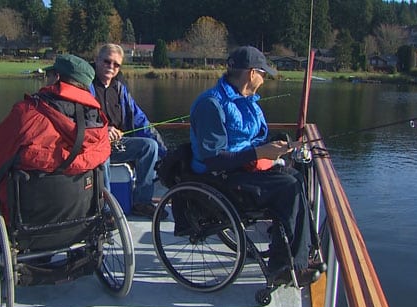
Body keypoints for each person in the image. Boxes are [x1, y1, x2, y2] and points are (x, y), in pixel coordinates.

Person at [189, 46, 321, 286]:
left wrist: (275, 146)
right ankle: (285, 267)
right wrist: (260, 152)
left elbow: (252, 140)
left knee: (297, 176)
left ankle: (301, 254)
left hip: (245, 167)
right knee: (288, 187)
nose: (264, 79)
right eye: (263, 73)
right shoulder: (211, 105)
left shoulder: (248, 102)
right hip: (220, 178)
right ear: (251, 73)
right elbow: (214, 158)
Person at [0, 54, 110, 221]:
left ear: (57, 77)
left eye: (49, 75)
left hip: (28, 221)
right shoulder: (98, 122)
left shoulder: (27, 113)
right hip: (83, 220)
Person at [90, 43, 168, 218]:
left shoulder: (119, 89)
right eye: (107, 61)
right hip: (94, 144)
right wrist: (104, 130)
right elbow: (81, 120)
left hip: (117, 144)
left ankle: (142, 202)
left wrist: (165, 152)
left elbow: (141, 121)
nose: (111, 67)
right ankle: (106, 211)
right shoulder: (86, 87)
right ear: (96, 60)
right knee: (102, 156)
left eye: (116, 64)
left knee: (149, 146)